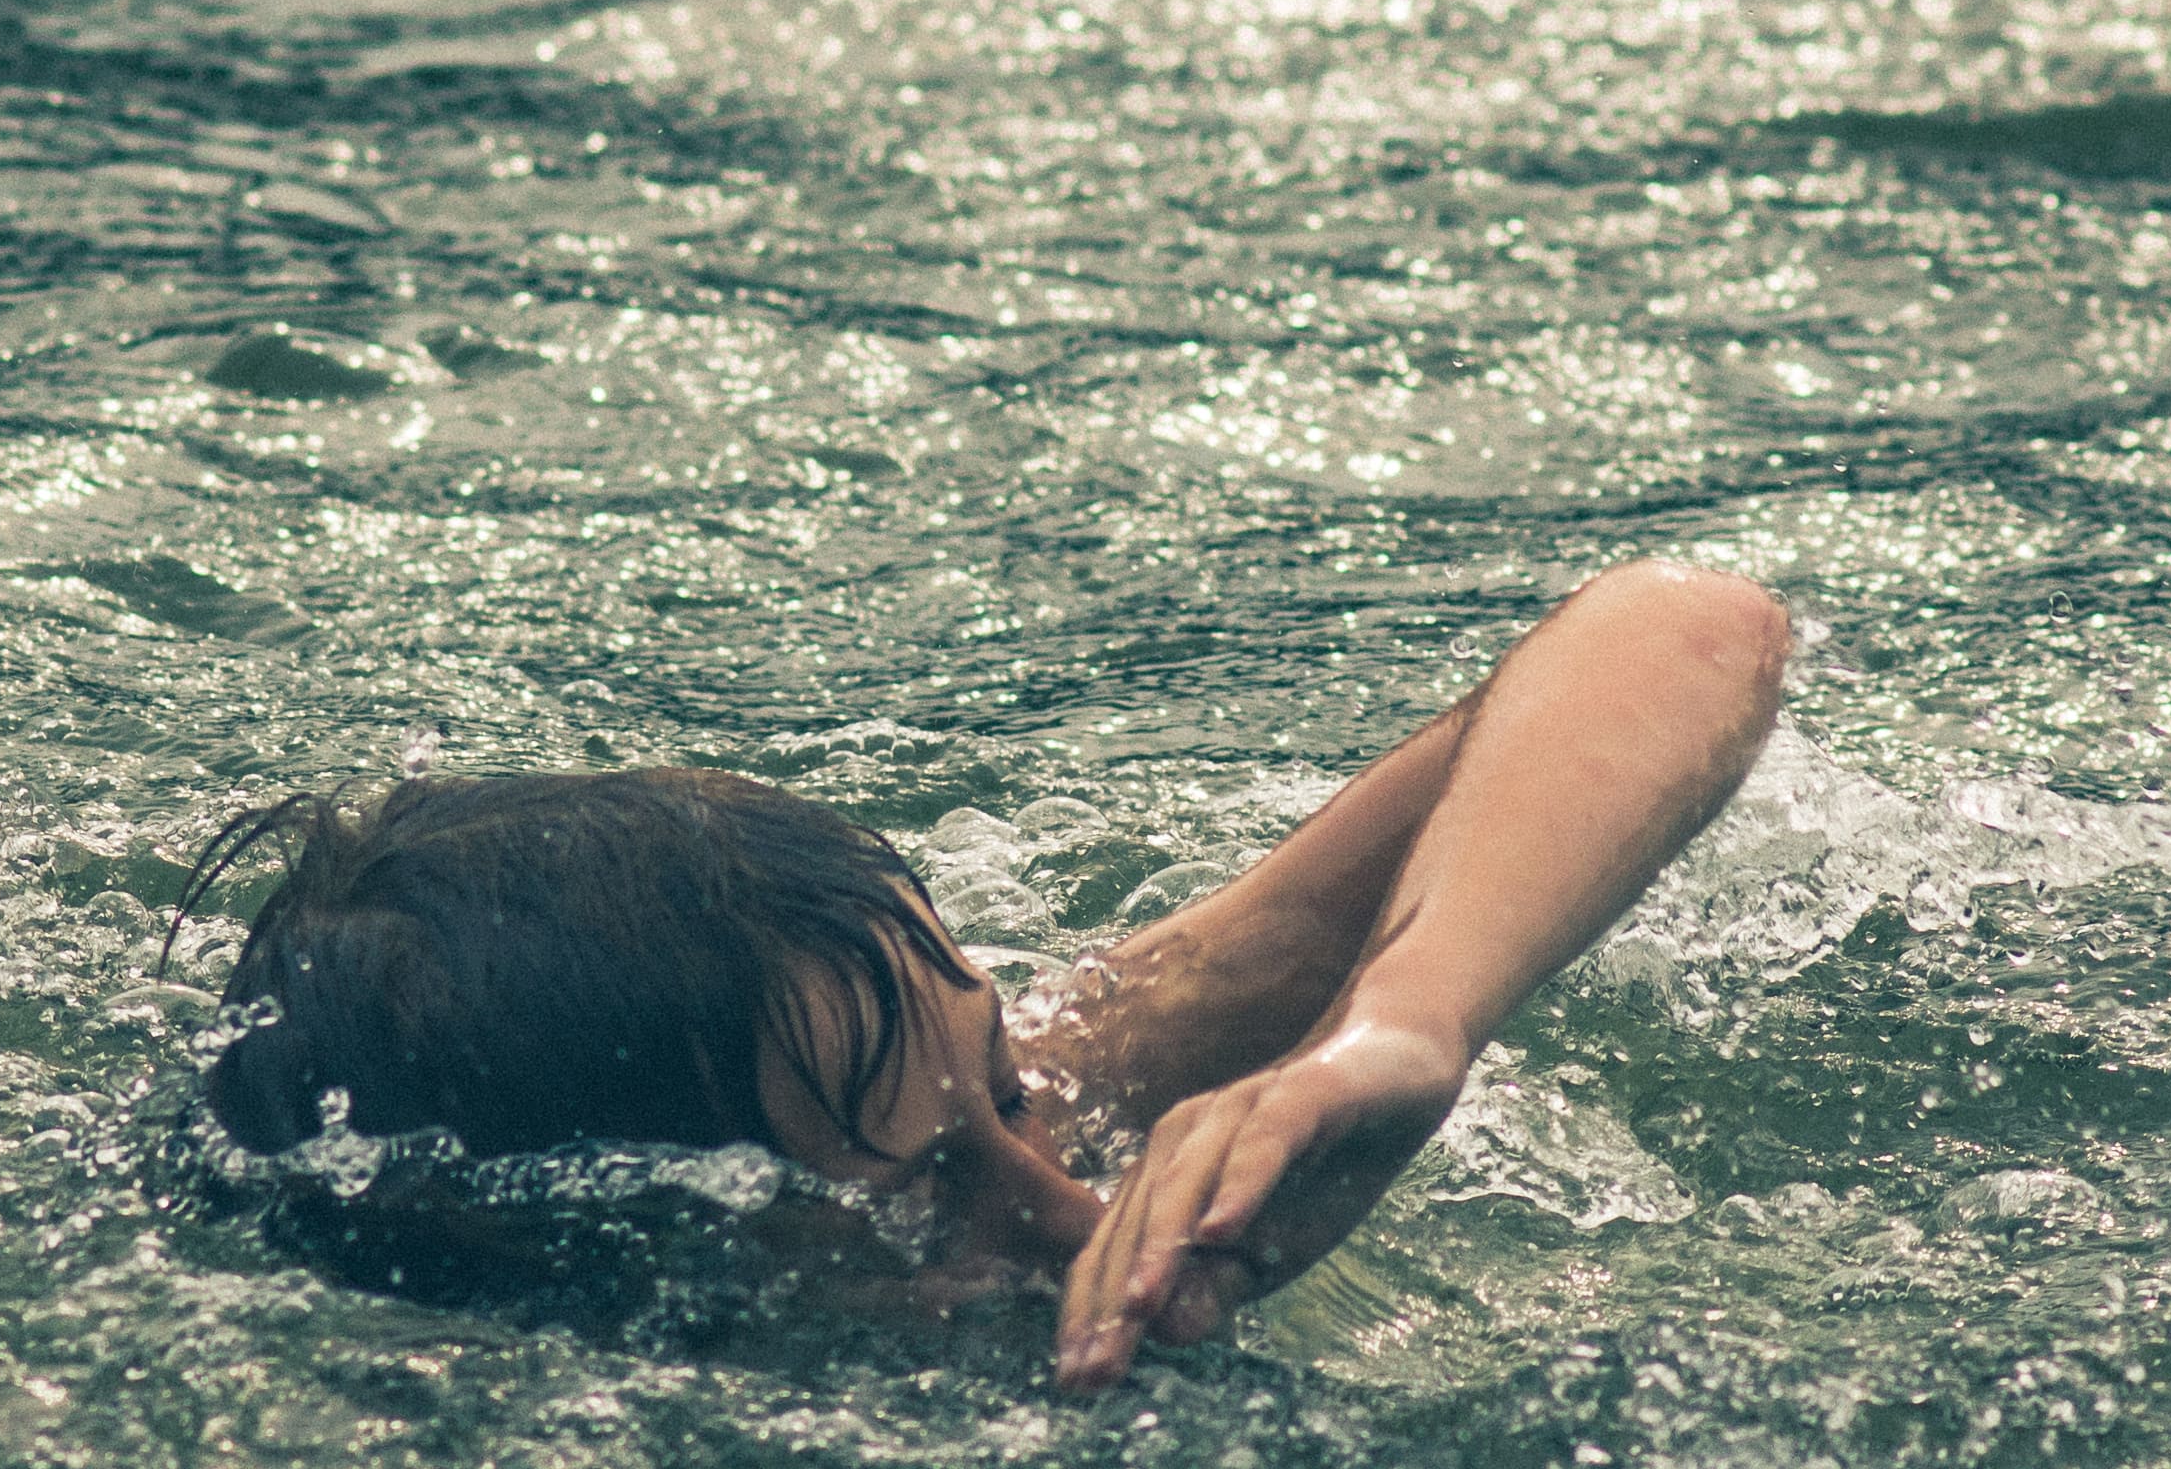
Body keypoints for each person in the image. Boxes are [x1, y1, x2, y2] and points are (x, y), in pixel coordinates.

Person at [187, 557, 1790, 1389]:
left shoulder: (1025, 1092)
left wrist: (1394, 1026)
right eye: (918, 1194)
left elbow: (1686, 629)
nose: (1077, 1208)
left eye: (1006, 1090)